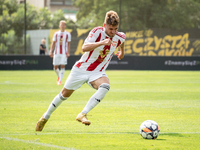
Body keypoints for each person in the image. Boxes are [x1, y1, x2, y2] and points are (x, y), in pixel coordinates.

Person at [35, 10, 126, 131]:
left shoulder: (120, 36)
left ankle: (83, 114)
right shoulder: (96, 32)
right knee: (64, 95)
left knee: (105, 86)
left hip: (97, 72)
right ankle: (45, 117)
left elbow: (122, 43)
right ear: (104, 25)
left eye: (115, 29)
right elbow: (84, 47)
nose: (113, 32)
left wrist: (122, 52)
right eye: (110, 29)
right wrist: (102, 42)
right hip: (81, 69)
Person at [49, 20, 71, 85]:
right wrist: (51, 51)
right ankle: (58, 77)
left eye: (63, 24)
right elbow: (53, 43)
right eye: (61, 24)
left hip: (64, 52)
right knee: (55, 67)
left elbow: (69, 44)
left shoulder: (68, 34)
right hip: (56, 52)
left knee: (62, 65)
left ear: (65, 26)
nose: (62, 26)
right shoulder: (56, 34)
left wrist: (68, 52)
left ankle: (60, 81)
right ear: (59, 25)